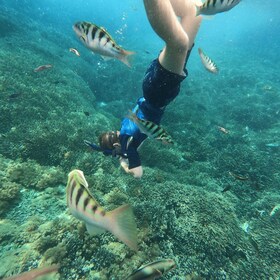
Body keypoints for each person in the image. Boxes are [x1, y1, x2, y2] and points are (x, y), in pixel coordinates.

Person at [85, 0, 202, 178]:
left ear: (118, 145)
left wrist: (124, 161)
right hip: (151, 88)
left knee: (177, 43)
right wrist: (108, 150)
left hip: (159, 92)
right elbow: (115, 146)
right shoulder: (124, 129)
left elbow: (137, 173)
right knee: (194, 13)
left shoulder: (127, 141)